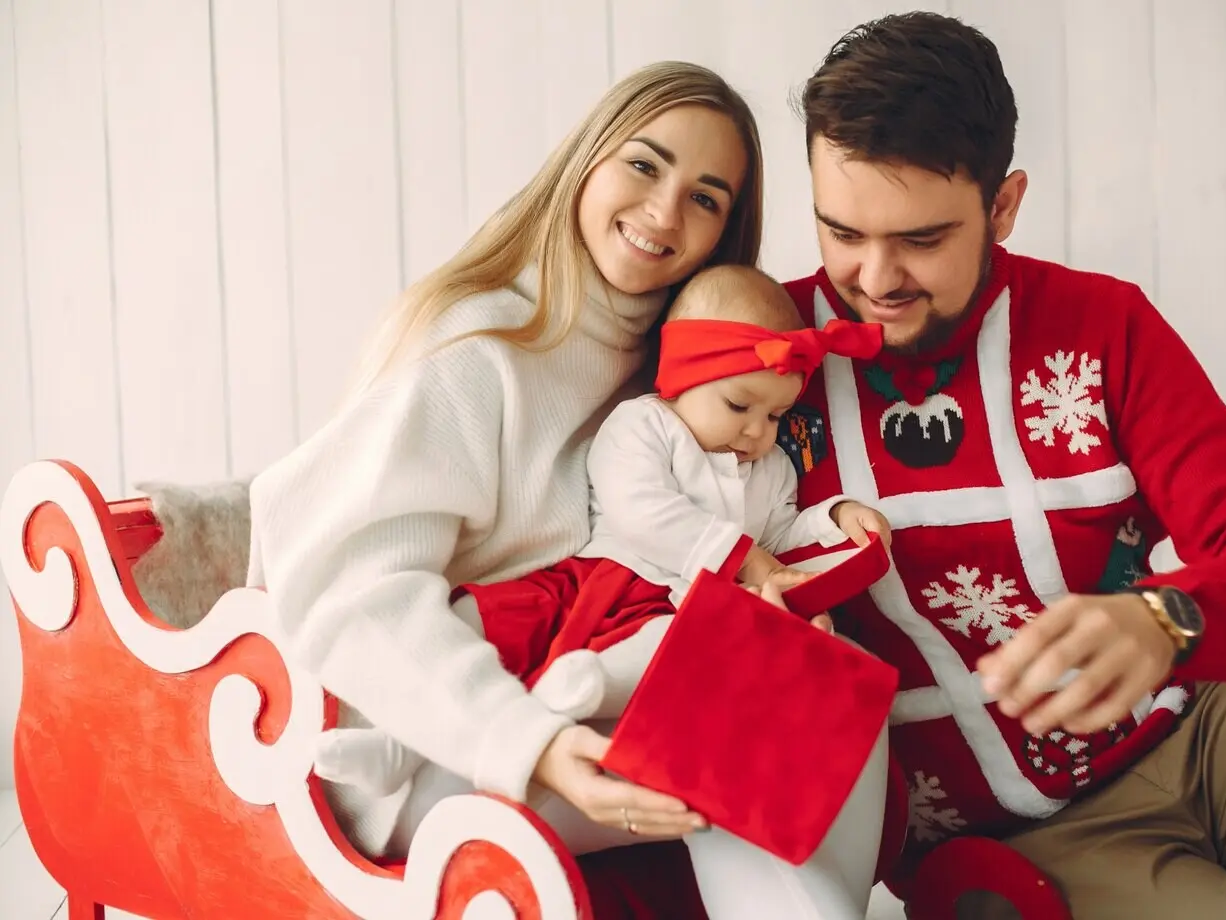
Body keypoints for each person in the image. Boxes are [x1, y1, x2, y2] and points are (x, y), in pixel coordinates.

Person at [246, 61, 889, 919]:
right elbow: (353, 596)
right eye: (644, 165)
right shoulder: (478, 354)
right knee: (776, 726)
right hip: (420, 749)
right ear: (586, 160)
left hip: (565, 695)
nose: (664, 213)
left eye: (706, 198)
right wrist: (533, 743)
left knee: (833, 693)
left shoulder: (670, 376)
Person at [775, 11, 1226, 919]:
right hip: (1019, 841)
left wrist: (1165, 620)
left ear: (1004, 205)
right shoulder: (764, 366)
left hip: (1215, 729)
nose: (875, 276)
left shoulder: (1101, 325)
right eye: (842, 232)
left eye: (922, 239)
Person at [311, 263, 894, 799]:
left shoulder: (768, 470)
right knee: (479, 622)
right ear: (683, 379)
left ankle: (586, 685)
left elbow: (780, 534)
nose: (756, 433)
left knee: (675, 653)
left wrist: (835, 517)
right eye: (739, 406)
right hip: (593, 576)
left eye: (774, 417)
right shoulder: (644, 425)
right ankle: (396, 742)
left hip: (668, 608)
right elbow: (641, 508)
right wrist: (741, 558)